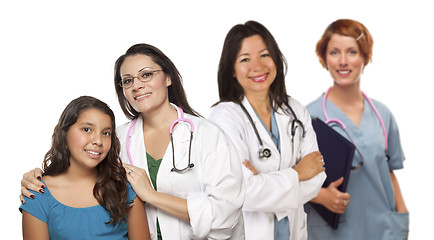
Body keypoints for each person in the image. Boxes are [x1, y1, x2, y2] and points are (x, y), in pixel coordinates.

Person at [21, 43, 245, 240]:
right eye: (127, 81)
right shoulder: (113, 139)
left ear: (168, 78)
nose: (136, 85)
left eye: (146, 75)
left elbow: (225, 214)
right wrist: (36, 177)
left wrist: (151, 196)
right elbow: (76, 171)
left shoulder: (209, 135)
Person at [208, 20, 326, 240]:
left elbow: (317, 177)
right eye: (245, 59)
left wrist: (263, 183)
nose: (257, 66)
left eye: (264, 55)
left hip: (293, 231)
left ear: (276, 59)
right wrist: (298, 173)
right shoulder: (224, 117)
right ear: (232, 70)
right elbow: (241, 192)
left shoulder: (295, 110)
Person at [305, 19, 409, 239]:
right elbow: (289, 179)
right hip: (332, 233)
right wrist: (321, 195)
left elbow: (388, 171)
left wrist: (402, 215)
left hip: (382, 229)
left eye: (352, 52)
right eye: (334, 53)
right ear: (324, 59)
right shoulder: (307, 118)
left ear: (365, 57)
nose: (343, 61)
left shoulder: (383, 115)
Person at [19, 96, 150, 239]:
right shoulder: (38, 193)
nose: (98, 141)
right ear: (65, 133)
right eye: (87, 129)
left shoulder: (124, 187)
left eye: (106, 133)